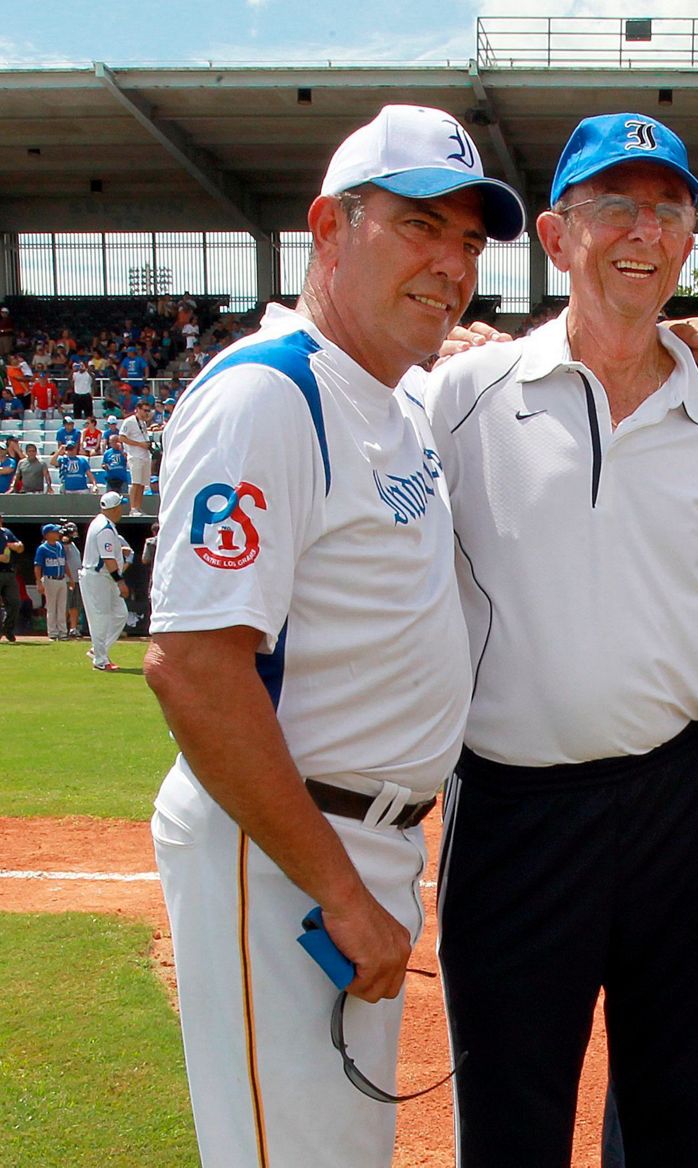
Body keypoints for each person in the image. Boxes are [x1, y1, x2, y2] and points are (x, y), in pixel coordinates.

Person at [143, 105, 525, 1168]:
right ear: (328, 226)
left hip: (363, 840)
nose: (449, 262)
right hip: (285, 850)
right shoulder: (270, 395)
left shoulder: (388, 398)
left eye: (465, 240)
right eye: (416, 226)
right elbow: (193, 668)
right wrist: (337, 889)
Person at [425, 112, 698, 1168]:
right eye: (614, 206)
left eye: (667, 210)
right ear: (555, 235)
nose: (643, 229)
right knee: (509, 1129)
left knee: (672, 1128)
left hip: (677, 810)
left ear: (686, 240)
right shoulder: (458, 394)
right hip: (512, 812)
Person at [81, 491, 131, 669]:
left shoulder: (102, 522)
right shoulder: (105, 528)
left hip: (102, 575)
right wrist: (120, 581)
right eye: (120, 506)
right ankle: (101, 661)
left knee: (120, 614)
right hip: (98, 576)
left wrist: (120, 551)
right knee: (100, 617)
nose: (122, 509)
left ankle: (97, 650)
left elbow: (109, 553)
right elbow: (108, 559)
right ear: (115, 508)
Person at [33, 523, 69, 640]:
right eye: (55, 532)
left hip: (62, 578)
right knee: (52, 607)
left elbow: (65, 563)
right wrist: (38, 582)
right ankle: (53, 633)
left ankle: (63, 633)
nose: (58, 534)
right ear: (48, 535)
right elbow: (38, 566)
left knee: (62, 607)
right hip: (50, 579)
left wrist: (71, 578)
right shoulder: (42, 548)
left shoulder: (60, 546)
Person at [118, 400, 154, 509]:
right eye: (144, 410)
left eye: (148, 410)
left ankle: (138, 507)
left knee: (142, 484)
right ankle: (133, 508)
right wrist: (139, 444)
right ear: (138, 409)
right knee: (136, 483)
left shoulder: (143, 423)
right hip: (135, 456)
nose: (146, 413)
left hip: (145, 456)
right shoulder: (129, 421)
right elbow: (121, 437)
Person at [0, 514, 22, 642]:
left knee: (15, 603)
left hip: (9, 572)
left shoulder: (6, 532)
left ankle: (7, 629)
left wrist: (18, 546)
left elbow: (20, 546)